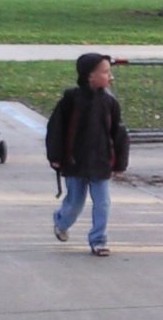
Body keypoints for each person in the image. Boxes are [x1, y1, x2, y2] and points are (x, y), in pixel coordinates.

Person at [46, 53, 129, 257]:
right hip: (74, 161)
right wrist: (55, 156)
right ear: (89, 76)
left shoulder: (110, 103)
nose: (110, 76)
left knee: (103, 203)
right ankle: (61, 222)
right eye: (105, 72)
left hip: (101, 162)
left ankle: (98, 240)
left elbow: (118, 133)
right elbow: (56, 128)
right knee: (75, 202)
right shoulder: (71, 100)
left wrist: (119, 163)